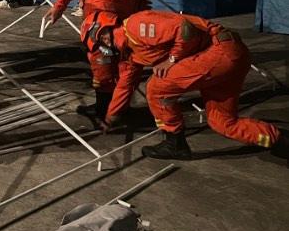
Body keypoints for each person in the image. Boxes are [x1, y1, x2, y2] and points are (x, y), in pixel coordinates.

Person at [82, 10, 289, 162]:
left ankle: (175, 143)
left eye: (99, 44)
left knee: (156, 86)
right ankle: (279, 140)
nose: (102, 50)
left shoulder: (135, 25)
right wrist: (110, 117)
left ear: (103, 33)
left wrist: (171, 60)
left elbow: (185, 29)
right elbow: (124, 85)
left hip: (221, 51)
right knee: (222, 123)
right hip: (224, 59)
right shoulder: (130, 54)